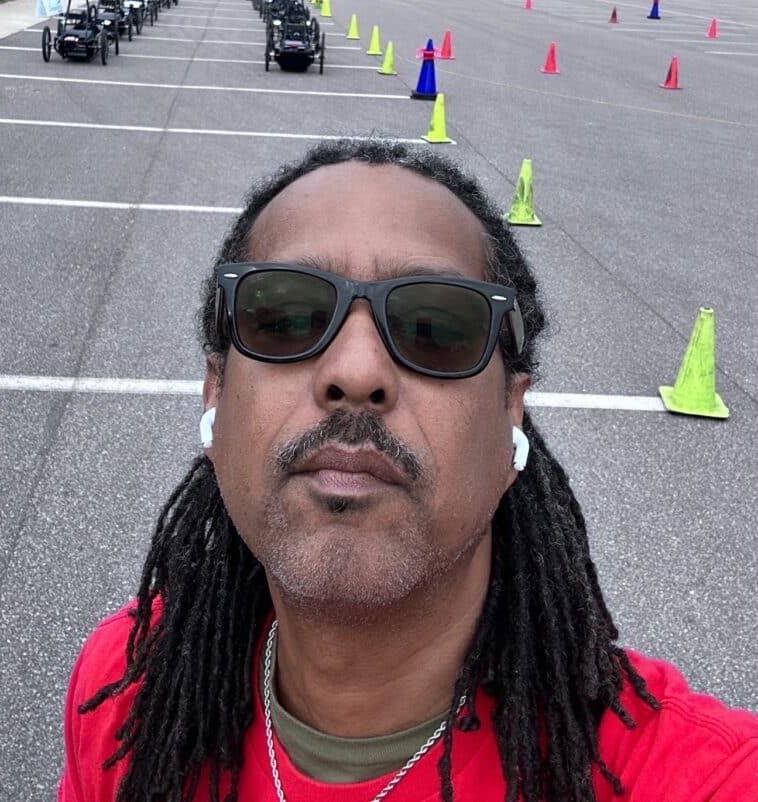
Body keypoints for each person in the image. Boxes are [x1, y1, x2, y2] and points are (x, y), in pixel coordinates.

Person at [58, 141, 758, 802]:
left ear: (511, 414)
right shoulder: (125, 688)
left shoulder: (693, 776)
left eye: (436, 328)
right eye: (287, 317)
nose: (357, 371)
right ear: (216, 393)